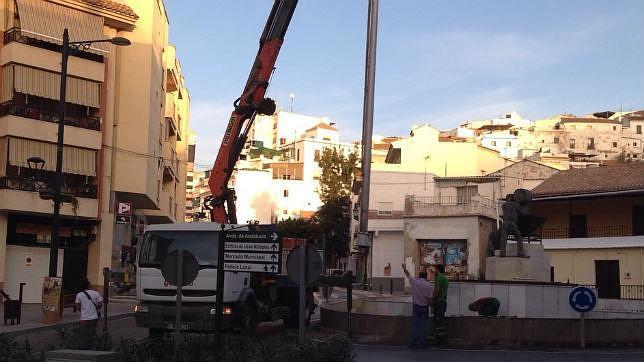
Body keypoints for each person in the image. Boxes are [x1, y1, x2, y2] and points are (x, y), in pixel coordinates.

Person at [402, 263, 432, 349]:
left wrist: (404, 268)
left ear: (419, 276)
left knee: (415, 324)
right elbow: (429, 299)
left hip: (416, 306)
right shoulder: (428, 285)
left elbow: (408, 274)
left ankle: (413, 341)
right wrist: (432, 305)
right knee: (423, 325)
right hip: (424, 307)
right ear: (426, 276)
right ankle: (423, 342)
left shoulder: (415, 282)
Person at [430, 264, 449, 345]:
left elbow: (436, 291)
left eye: (435, 269)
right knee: (441, 321)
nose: (434, 271)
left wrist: (433, 300)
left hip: (439, 302)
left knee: (438, 322)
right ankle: (442, 339)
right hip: (443, 302)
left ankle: (440, 340)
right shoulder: (445, 278)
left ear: (437, 270)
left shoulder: (439, 278)